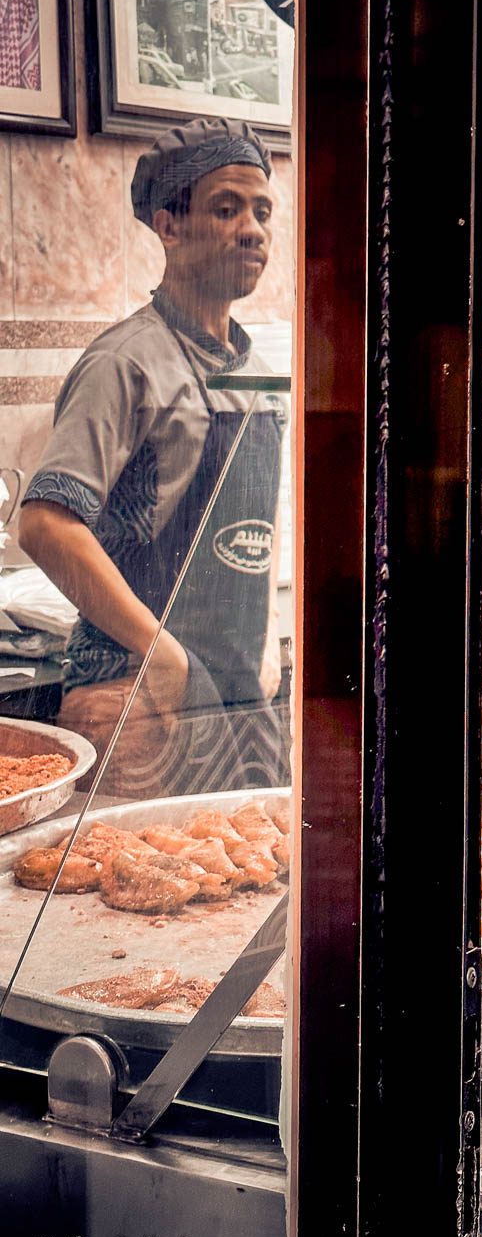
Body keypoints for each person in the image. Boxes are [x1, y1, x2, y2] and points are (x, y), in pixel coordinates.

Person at [19, 117, 285, 798]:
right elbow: (46, 525)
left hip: (235, 693)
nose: (252, 229)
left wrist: (269, 637)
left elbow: (257, 526)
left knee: (253, 882)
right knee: (151, 885)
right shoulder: (125, 362)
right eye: (226, 208)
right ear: (169, 225)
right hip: (134, 693)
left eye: (261, 211)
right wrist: (162, 660)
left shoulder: (255, 369)